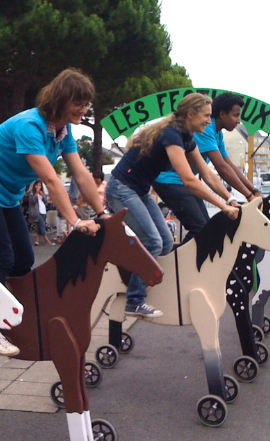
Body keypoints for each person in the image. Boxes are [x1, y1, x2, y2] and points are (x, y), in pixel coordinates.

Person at [0, 67, 107, 356]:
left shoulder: (63, 132)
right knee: (2, 257)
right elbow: (51, 179)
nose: (84, 110)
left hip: (7, 196)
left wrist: (103, 214)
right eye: (78, 103)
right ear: (60, 101)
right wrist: (74, 221)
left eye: (86, 104)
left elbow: (80, 173)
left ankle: (8, 314)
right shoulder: (29, 126)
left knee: (24, 259)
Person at [106, 92, 240, 319]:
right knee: (153, 241)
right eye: (206, 116)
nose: (209, 121)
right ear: (190, 114)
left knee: (166, 242)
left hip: (138, 190)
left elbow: (208, 174)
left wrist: (230, 199)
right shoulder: (172, 135)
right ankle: (134, 300)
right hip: (121, 188)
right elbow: (189, 180)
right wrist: (223, 206)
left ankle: (140, 282)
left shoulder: (187, 137)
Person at [153, 92, 260, 241]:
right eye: (235, 115)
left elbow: (226, 166)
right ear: (222, 114)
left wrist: (252, 192)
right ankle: (179, 257)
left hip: (181, 182)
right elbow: (220, 168)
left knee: (207, 229)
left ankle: (182, 256)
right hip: (169, 180)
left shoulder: (216, 134)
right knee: (200, 229)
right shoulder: (204, 130)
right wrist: (248, 196)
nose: (238, 120)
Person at [29, 180, 55, 246]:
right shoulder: (32, 193)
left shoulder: (42, 192)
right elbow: (32, 201)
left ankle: (37, 240)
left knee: (39, 226)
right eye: (37, 185)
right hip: (37, 212)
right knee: (42, 225)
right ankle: (47, 240)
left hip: (43, 211)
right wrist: (36, 194)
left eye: (39, 185)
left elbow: (45, 202)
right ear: (34, 186)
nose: (38, 187)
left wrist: (43, 195)